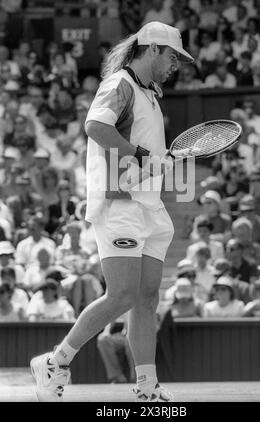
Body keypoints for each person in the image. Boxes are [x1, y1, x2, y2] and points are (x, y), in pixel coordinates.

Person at [30, 21, 194, 401]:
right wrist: (141, 156)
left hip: (148, 206)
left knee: (147, 298)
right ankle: (55, 361)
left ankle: (147, 388)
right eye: (172, 57)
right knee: (121, 294)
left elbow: (142, 152)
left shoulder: (151, 91)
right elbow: (95, 127)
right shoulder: (119, 84)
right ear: (152, 49)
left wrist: (159, 163)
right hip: (120, 204)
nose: (175, 66)